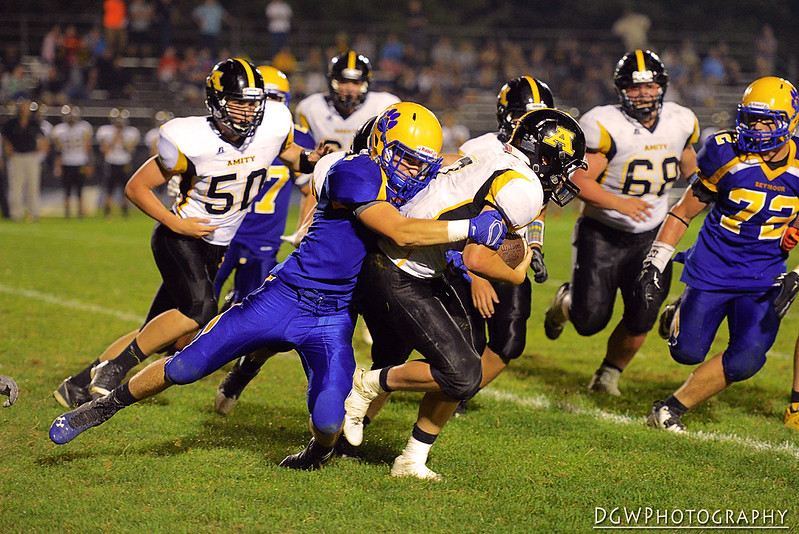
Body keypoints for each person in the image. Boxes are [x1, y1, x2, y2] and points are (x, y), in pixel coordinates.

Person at [48, 102, 508, 474]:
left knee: (329, 419)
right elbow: (400, 231)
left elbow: (454, 172)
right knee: (187, 366)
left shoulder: (412, 180)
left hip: (333, 316)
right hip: (284, 296)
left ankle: (317, 452)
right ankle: (104, 407)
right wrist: (470, 228)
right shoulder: (354, 170)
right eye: (406, 157)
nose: (413, 169)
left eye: (420, 162)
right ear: (381, 145)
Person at [52, 58, 326, 409]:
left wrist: (313, 157)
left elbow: (290, 155)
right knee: (199, 309)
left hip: (214, 245)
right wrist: (175, 222)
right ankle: (115, 368)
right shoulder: (190, 138)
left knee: (158, 331)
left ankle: (76, 384)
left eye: (253, 103)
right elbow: (137, 187)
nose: (248, 112)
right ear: (216, 101)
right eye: (238, 102)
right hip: (180, 239)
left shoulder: (273, 124)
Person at [345, 108, 588, 480]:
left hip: (416, 262)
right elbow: (477, 257)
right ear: (548, 155)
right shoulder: (524, 186)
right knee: (461, 374)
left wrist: (511, 244)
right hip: (402, 268)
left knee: (465, 360)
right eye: (565, 164)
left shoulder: (491, 150)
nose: (565, 176)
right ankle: (368, 384)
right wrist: (517, 269)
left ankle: (412, 458)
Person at [637, 76, 799, 432]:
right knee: (687, 353)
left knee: (747, 360)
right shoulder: (725, 151)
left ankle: (669, 409)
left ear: (790, 120)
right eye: (751, 119)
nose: (755, 129)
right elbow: (683, 210)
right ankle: (680, 309)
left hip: (764, 274)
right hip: (713, 266)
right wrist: (656, 260)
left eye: (766, 121)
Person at [543, 50, 699, 396]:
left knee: (643, 313)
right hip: (603, 232)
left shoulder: (681, 120)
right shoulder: (604, 124)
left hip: (652, 234)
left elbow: (692, 170)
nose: (643, 93)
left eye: (650, 85)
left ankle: (609, 374)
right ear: (620, 89)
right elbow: (578, 182)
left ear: (663, 86)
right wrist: (619, 203)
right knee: (589, 321)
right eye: (634, 86)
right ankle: (566, 302)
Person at [213, 115, 376, 417]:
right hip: (329, 267)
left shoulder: (413, 175)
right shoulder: (346, 167)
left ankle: (356, 419)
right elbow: (313, 197)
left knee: (379, 341)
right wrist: (306, 230)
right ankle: (247, 367)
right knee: (281, 332)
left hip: (375, 266)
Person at [453, 76, 555, 414]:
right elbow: (460, 212)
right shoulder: (479, 150)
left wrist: (535, 247)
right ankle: (449, 391)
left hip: (511, 257)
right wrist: (476, 275)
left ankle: (457, 394)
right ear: (505, 115)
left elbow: (538, 207)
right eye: (523, 116)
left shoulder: (549, 153)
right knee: (466, 342)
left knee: (509, 342)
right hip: (468, 256)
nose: (531, 125)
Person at [294, 50, 399, 151]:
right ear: (332, 82)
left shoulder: (383, 106)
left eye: (355, 83)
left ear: (365, 84)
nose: (349, 88)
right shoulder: (311, 108)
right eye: (343, 81)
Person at [1, 99, 48, 222]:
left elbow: (43, 137)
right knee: (15, 186)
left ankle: (33, 213)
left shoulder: (33, 123)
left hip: (31, 156)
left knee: (33, 186)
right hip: (16, 156)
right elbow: (5, 137)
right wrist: (8, 148)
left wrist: (40, 148)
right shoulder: (11, 123)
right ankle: (15, 213)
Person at [96, 108, 140, 217]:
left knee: (125, 188)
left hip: (125, 162)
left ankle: (124, 210)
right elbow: (104, 150)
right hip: (111, 161)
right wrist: (115, 137)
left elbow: (130, 149)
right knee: (109, 188)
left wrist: (122, 138)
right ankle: (107, 211)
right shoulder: (105, 131)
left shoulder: (132, 132)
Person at [51, 105, 94, 219]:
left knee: (79, 188)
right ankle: (67, 211)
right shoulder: (59, 130)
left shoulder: (84, 127)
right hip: (66, 161)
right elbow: (58, 150)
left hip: (80, 161)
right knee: (67, 189)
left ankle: (79, 211)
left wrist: (89, 163)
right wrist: (58, 165)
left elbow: (88, 147)